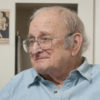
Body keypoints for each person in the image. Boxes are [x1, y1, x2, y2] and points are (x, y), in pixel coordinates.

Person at [0, 6, 100, 100]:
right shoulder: (16, 85)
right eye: (31, 41)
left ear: (74, 43)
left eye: (45, 39)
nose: (34, 50)